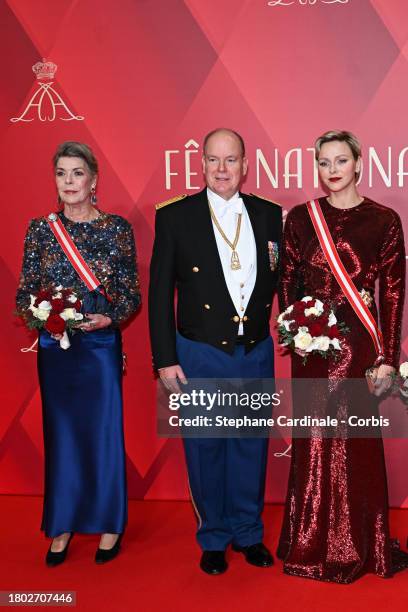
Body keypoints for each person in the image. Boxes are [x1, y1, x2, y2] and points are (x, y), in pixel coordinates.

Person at [149, 128, 282, 574]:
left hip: (255, 350)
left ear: (246, 165)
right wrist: (165, 357)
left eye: (231, 160)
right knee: (206, 448)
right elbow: (159, 291)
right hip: (200, 351)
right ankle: (213, 536)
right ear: (201, 164)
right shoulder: (175, 217)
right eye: (213, 160)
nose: (221, 169)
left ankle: (248, 532)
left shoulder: (269, 215)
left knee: (249, 446)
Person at [277, 130, 408, 583]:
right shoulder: (299, 218)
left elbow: (391, 294)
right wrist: (295, 330)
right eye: (324, 163)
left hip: (358, 351)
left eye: (340, 161)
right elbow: (287, 286)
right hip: (311, 350)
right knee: (314, 443)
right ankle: (310, 538)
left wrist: (388, 357)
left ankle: (359, 542)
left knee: (355, 447)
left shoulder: (384, 220)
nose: (332, 171)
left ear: (357, 163)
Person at [16, 142, 141, 566]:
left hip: (100, 345)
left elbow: (130, 294)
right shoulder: (40, 229)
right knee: (63, 435)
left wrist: (110, 318)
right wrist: (44, 314)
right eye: (61, 174)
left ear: (93, 180)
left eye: (77, 173)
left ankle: (109, 523)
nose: (69, 182)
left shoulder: (117, 229)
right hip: (56, 348)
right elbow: (23, 291)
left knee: (103, 433)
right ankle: (63, 523)